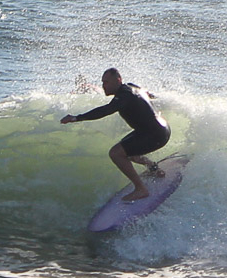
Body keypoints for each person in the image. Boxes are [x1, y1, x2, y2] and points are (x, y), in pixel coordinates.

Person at [61, 68, 171, 202]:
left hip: (155, 134)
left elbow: (105, 110)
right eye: (103, 82)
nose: (103, 86)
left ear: (118, 80)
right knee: (126, 151)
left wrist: (76, 118)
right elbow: (148, 94)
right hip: (160, 128)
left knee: (116, 153)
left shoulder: (124, 96)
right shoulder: (131, 87)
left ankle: (141, 189)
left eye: (106, 82)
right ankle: (154, 169)